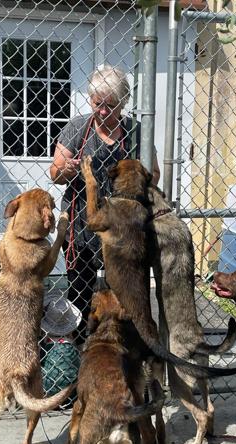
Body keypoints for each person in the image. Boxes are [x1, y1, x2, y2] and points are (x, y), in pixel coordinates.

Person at [49, 64, 160, 343]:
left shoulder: (135, 132)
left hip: (123, 231)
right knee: (80, 293)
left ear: (123, 104)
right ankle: (79, 350)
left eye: (110, 106)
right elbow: (55, 172)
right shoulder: (77, 128)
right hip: (82, 225)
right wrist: (68, 169)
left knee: (122, 293)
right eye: (97, 104)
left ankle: (120, 348)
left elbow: (154, 174)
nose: (102, 112)